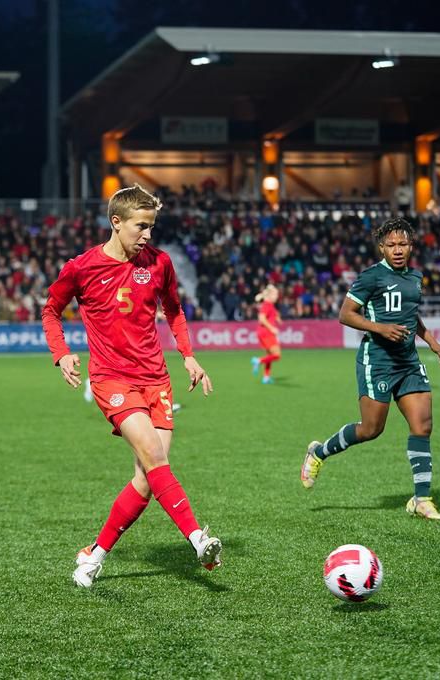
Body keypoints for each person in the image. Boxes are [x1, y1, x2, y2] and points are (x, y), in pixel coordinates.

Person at [41, 184, 221, 588]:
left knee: (146, 477)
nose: (148, 235)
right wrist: (62, 353)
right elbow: (51, 311)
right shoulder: (82, 267)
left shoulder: (159, 263)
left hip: (156, 379)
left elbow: (173, 310)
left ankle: (94, 554)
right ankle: (198, 538)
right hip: (112, 379)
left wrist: (188, 355)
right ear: (116, 222)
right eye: (141, 226)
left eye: (152, 227)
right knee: (156, 458)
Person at [300, 218, 440, 520]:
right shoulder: (371, 277)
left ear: (411, 246)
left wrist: (433, 342)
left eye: (403, 244)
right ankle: (318, 453)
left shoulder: (416, 278)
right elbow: (346, 314)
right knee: (371, 429)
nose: (397, 250)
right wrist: (380, 328)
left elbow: (412, 316)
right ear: (381, 247)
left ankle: (422, 499)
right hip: (378, 361)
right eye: (391, 245)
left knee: (422, 425)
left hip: (408, 362)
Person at [251, 284, 282, 384]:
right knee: (277, 355)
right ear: (270, 295)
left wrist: (277, 318)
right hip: (266, 333)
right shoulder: (266, 305)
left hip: (264, 333)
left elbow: (271, 315)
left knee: (269, 355)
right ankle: (258, 361)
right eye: (276, 294)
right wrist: (272, 328)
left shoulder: (269, 305)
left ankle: (266, 377)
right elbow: (261, 318)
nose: (277, 296)